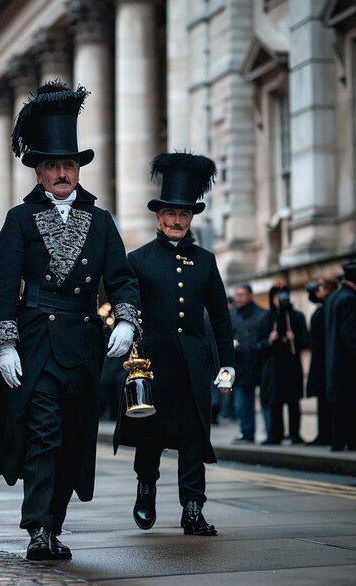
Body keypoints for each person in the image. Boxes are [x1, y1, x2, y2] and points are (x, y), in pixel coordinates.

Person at [0, 81, 140, 561]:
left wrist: (125, 322)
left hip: (85, 344)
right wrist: (5, 345)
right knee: (43, 436)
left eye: (69, 164)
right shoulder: (19, 220)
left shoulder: (102, 221)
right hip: (37, 342)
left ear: (78, 168)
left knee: (72, 439)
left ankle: (56, 524)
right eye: (52, 166)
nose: (62, 173)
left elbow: (122, 281)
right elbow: (2, 289)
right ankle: (38, 529)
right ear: (40, 172)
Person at [114, 152, 235, 537]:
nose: (176, 220)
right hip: (152, 366)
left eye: (183, 214)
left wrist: (226, 363)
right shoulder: (138, 260)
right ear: (157, 217)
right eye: (169, 214)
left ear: (191, 218)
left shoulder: (206, 260)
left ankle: (193, 510)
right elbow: (125, 307)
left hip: (194, 366)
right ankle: (146, 489)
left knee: (194, 438)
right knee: (150, 438)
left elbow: (219, 316)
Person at [259, 286, 309, 445]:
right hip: (274, 368)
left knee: (293, 401)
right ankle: (275, 435)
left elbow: (307, 341)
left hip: (292, 366)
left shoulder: (297, 316)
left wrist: (295, 339)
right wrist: (269, 340)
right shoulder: (267, 318)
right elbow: (258, 345)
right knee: (275, 402)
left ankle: (295, 434)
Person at [230, 284, 272, 443]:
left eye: (241, 294)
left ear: (250, 295)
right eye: (236, 294)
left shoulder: (263, 314)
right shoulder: (231, 314)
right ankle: (246, 433)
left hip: (262, 364)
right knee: (242, 404)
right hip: (241, 365)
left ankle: (271, 434)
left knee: (266, 402)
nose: (237, 298)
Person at [324, 261, 356, 451]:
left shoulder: (334, 297)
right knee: (350, 405)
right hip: (347, 362)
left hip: (333, 361)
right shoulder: (350, 299)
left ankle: (337, 442)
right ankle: (352, 442)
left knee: (339, 405)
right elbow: (350, 335)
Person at [305, 277, 338, 446]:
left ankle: (330, 434)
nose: (318, 292)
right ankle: (323, 434)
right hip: (319, 358)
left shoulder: (329, 307)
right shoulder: (322, 308)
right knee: (321, 397)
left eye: (321, 288)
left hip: (327, 358)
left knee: (328, 397)